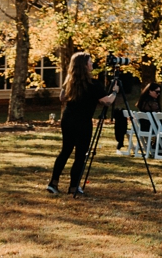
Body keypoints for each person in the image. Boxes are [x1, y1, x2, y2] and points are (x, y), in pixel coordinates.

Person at [48, 52, 116, 197]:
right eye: (90, 62)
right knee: (80, 154)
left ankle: (53, 183)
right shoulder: (93, 84)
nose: (92, 64)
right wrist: (115, 91)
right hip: (83, 121)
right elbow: (107, 101)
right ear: (84, 66)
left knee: (65, 150)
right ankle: (73, 187)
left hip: (68, 119)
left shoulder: (70, 81)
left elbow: (62, 98)